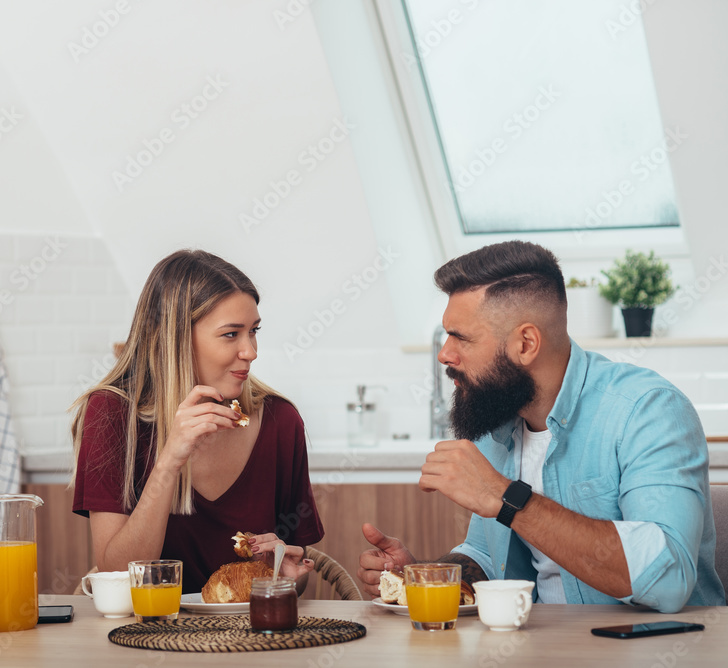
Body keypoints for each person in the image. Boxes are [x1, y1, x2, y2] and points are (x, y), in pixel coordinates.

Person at [358, 240, 725, 612]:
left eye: (461, 337)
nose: (444, 354)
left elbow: (669, 580)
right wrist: (423, 578)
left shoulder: (648, 411)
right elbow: (487, 558)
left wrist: (507, 499)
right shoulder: (495, 419)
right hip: (544, 647)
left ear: (526, 343)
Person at [71, 249, 324, 594]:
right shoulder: (112, 414)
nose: (251, 351)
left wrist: (286, 575)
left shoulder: (281, 422)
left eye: (253, 331)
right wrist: (171, 458)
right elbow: (118, 574)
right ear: (172, 338)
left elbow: (294, 567)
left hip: (249, 643)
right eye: (231, 334)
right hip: (144, 640)